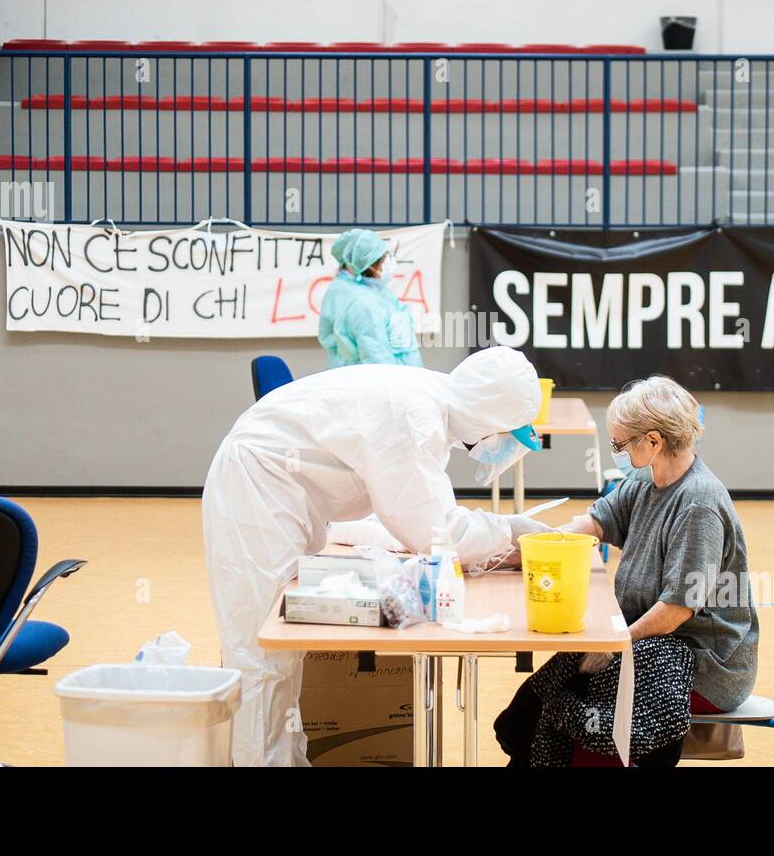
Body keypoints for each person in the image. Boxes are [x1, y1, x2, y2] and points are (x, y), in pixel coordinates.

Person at [202, 346, 550, 766]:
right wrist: (509, 531)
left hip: (278, 497)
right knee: (262, 654)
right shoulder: (413, 418)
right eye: (509, 434)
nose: (504, 448)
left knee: (282, 660)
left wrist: (498, 535)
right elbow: (435, 532)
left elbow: (410, 511)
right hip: (256, 490)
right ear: (491, 419)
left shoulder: (430, 406)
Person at [495, 375, 758, 766]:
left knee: (583, 710)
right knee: (529, 710)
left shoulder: (697, 505)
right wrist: (526, 549)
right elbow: (594, 523)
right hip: (650, 640)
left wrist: (615, 643)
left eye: (619, 444)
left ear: (653, 441)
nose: (615, 451)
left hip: (701, 661)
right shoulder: (647, 481)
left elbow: (675, 611)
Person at [318, 228, 423, 368]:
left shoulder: (376, 291)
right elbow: (377, 358)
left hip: (402, 376)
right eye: (382, 258)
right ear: (369, 264)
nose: (388, 261)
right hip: (385, 380)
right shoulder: (361, 301)